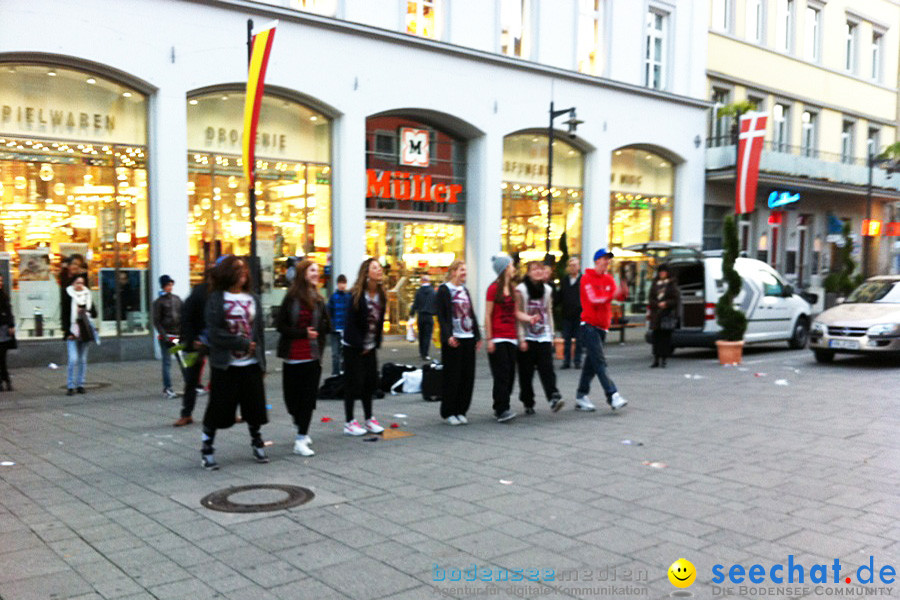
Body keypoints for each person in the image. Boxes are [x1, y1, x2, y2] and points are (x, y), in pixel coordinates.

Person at [200, 256, 268, 470]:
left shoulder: (252, 299)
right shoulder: (216, 299)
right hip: (225, 365)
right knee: (218, 408)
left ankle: (257, 442)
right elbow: (214, 333)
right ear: (227, 273)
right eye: (237, 270)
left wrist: (262, 362)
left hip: (250, 364)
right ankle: (207, 447)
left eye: (244, 270)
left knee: (254, 407)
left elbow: (260, 333)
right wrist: (240, 343)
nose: (242, 274)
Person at [277, 260, 330, 456]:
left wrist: (320, 330)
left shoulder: (319, 298)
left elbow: (327, 326)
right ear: (303, 273)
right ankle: (300, 424)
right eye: (312, 270)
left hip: (312, 356)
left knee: (307, 400)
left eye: (318, 270)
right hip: (292, 356)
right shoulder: (291, 297)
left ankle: (301, 438)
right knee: (291, 400)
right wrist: (302, 333)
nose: (317, 273)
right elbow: (280, 326)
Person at [575, 248, 628, 412]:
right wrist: (613, 295)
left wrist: (623, 291)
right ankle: (612, 395)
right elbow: (593, 299)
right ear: (597, 260)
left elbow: (617, 297)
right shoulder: (586, 279)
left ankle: (581, 395)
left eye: (609, 259)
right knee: (599, 362)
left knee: (591, 364)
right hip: (589, 326)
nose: (607, 262)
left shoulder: (609, 279)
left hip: (602, 327)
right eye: (605, 259)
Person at [485, 255, 535, 423]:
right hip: (498, 338)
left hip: (511, 337)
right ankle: (501, 409)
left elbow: (516, 313)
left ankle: (501, 406)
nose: (514, 268)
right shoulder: (493, 289)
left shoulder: (513, 289)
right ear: (505, 268)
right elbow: (487, 314)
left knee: (511, 374)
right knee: (502, 374)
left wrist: (529, 318)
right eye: (512, 265)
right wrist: (489, 338)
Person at [341, 258, 387, 436]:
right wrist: (360, 345)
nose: (379, 270)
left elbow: (380, 321)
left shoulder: (381, 294)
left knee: (369, 383)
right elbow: (350, 324)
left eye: (380, 268)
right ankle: (349, 421)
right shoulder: (357, 294)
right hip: (354, 346)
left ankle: (369, 419)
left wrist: (375, 342)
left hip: (370, 345)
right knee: (353, 384)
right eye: (375, 268)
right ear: (366, 273)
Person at [436, 260, 481, 425]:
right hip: (454, 339)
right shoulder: (444, 290)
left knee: (467, 376)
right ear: (453, 271)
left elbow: (471, 313)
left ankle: (461, 410)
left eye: (465, 271)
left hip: (468, 337)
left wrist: (477, 335)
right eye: (462, 270)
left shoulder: (465, 290)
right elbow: (441, 316)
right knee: (452, 376)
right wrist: (448, 335)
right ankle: (449, 411)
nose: (465, 273)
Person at [516, 261, 563, 414]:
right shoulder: (521, 290)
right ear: (528, 273)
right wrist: (521, 338)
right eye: (534, 269)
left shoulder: (548, 290)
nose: (538, 272)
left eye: (540, 269)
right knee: (526, 373)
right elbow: (517, 315)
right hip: (527, 336)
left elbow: (548, 312)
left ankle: (553, 397)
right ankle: (528, 402)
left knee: (547, 368)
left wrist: (551, 334)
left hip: (543, 335)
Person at [174, 268, 210, 427]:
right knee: (191, 379)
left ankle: (225, 411)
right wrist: (193, 339)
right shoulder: (199, 293)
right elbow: (186, 318)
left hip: (212, 341)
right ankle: (186, 413)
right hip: (196, 343)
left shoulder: (221, 293)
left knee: (221, 377)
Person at [62, 273, 97, 396]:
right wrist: (67, 332)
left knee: (82, 359)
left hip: (85, 331)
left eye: (82, 283)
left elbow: (95, 313)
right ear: (73, 284)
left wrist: (86, 311)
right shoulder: (68, 295)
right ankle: (70, 385)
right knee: (73, 359)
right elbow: (64, 316)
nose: (80, 285)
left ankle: (80, 384)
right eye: (77, 283)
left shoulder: (87, 295)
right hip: (73, 331)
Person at [152, 274, 183, 399]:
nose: (170, 287)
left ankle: (190, 385)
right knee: (167, 362)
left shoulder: (177, 299)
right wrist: (164, 335)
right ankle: (167, 388)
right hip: (167, 336)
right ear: (163, 286)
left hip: (176, 335)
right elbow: (156, 320)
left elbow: (183, 315)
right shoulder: (159, 302)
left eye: (171, 285)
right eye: (167, 285)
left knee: (183, 361)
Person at [648, 263, 680, 368]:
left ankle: (664, 359)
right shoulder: (655, 284)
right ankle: (656, 359)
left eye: (664, 272)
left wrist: (666, 303)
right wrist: (656, 304)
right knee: (656, 337)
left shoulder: (671, 284)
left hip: (666, 314)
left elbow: (676, 300)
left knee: (665, 338)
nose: (662, 274)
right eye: (660, 272)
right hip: (656, 314)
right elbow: (651, 298)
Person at [557, 257, 583, 369]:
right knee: (566, 339)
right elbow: (559, 296)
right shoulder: (564, 281)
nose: (572, 267)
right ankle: (566, 361)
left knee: (579, 339)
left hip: (579, 315)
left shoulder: (583, 280)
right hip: (567, 314)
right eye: (570, 265)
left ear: (579, 267)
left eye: (575, 265)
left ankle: (577, 361)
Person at [409, 275, 437, 361]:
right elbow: (435, 304)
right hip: (429, 316)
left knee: (421, 334)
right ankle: (425, 353)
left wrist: (412, 313)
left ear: (422, 281)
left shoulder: (419, 292)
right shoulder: (433, 292)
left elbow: (415, 303)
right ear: (429, 281)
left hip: (420, 316)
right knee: (427, 336)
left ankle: (421, 352)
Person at [327, 274, 351, 376]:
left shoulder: (349, 297)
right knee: (335, 354)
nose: (342, 285)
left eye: (344, 283)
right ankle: (335, 373)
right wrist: (331, 325)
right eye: (340, 283)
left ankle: (344, 372)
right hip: (335, 329)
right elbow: (329, 312)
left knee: (345, 353)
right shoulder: (333, 297)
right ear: (337, 284)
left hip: (346, 329)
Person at [0, 275, 15, 391]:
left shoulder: (4, 296)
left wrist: (11, 325)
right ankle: (6, 379)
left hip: (3, 330)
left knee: (2, 357)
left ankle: (4, 380)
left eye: (1, 280)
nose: (0, 283)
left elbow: (9, 312)